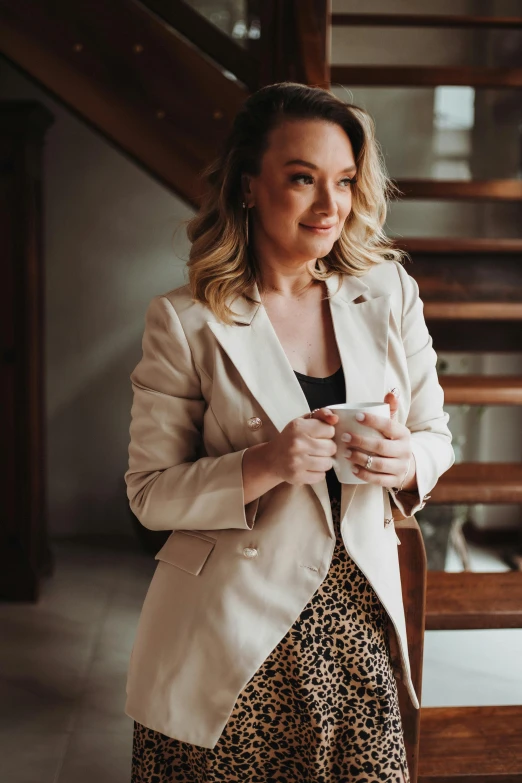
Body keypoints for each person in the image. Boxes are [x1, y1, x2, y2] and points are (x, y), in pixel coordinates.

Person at [125, 82, 455, 783]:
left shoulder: (388, 294)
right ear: (248, 186)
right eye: (302, 179)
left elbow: (435, 435)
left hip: (357, 626)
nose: (330, 205)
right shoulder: (185, 320)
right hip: (228, 634)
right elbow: (149, 494)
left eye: (343, 181)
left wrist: (405, 460)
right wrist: (264, 463)